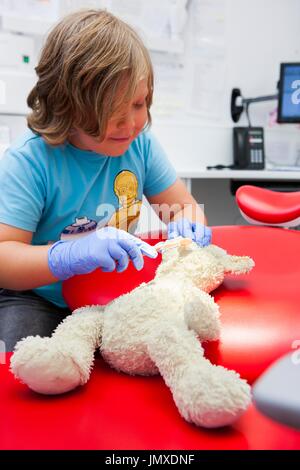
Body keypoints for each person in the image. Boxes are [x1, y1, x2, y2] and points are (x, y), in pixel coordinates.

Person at [0, 9, 211, 351]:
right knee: (27, 369)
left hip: (110, 294)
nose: (130, 124)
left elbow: (182, 208)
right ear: (67, 105)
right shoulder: (29, 160)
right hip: (36, 297)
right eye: (112, 113)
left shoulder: (138, 145)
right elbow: (4, 258)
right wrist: (65, 257)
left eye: (139, 104)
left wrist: (188, 225)